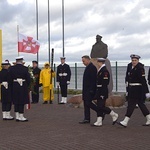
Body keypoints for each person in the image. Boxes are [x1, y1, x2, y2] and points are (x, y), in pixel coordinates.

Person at [117, 54, 150, 127]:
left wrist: (146, 91)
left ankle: (125, 121)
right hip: (131, 88)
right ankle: (149, 118)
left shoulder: (140, 68)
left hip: (138, 89)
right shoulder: (129, 66)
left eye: (135, 60)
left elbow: (143, 80)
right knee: (140, 104)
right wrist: (127, 89)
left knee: (131, 104)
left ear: (138, 60)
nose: (134, 62)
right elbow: (127, 77)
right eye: (132, 60)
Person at [92, 58, 118, 127]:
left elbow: (105, 83)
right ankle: (99, 120)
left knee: (101, 106)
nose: (97, 63)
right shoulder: (101, 70)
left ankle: (113, 114)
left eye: (98, 62)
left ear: (100, 62)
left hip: (102, 91)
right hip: (99, 90)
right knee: (99, 106)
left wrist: (102, 93)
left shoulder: (104, 71)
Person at [8, 56, 31, 122]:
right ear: (21, 61)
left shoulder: (11, 68)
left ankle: (17, 115)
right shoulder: (25, 68)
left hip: (14, 85)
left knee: (16, 100)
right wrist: (27, 85)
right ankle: (21, 116)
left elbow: (9, 78)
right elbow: (28, 79)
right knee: (21, 101)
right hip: (22, 86)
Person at [79, 55, 98, 124]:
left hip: (89, 89)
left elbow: (93, 80)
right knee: (86, 104)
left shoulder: (92, 68)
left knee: (88, 103)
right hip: (86, 89)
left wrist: (92, 90)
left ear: (88, 60)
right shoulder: (88, 67)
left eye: (84, 61)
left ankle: (99, 111)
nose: (83, 63)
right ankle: (87, 118)